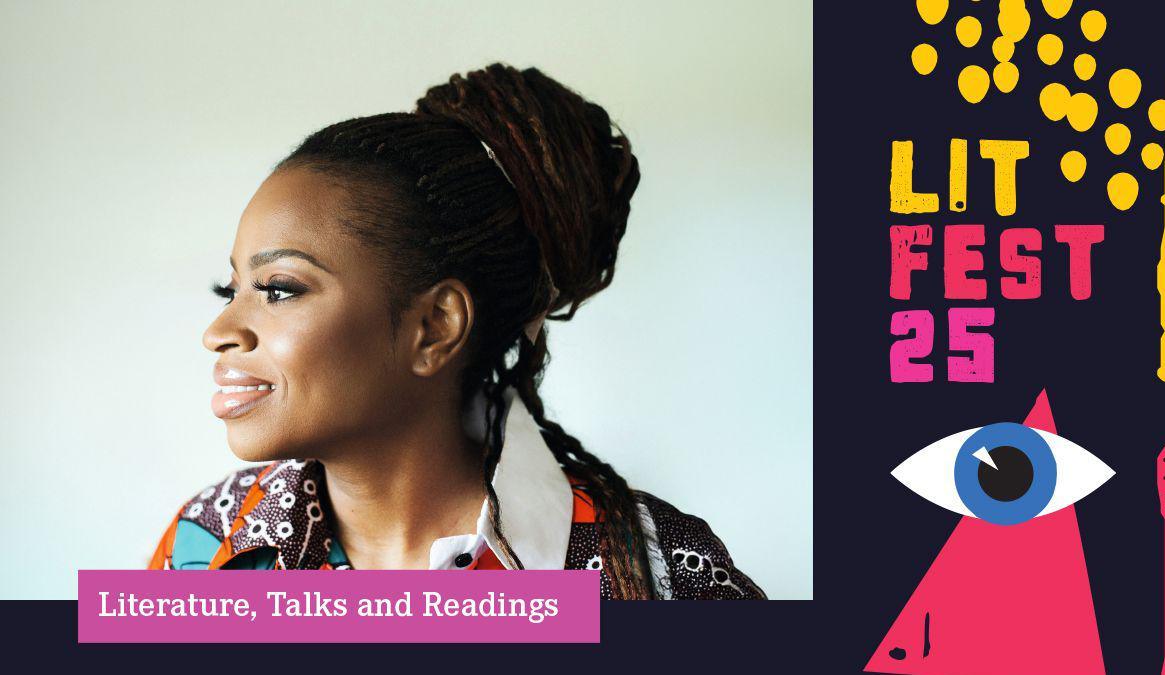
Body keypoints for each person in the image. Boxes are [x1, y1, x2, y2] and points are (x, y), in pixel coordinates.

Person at [147, 63, 765, 600]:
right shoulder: (203, 549)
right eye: (230, 291)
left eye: (279, 289)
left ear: (434, 327)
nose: (219, 331)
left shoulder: (660, 583)